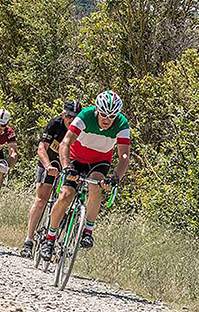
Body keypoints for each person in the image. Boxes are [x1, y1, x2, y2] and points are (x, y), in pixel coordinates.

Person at [40, 91, 131, 261]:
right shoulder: (85, 115)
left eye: (111, 116)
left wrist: (115, 178)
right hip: (75, 159)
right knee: (66, 195)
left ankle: (88, 230)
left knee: (96, 185)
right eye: (103, 114)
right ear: (96, 110)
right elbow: (65, 143)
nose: (106, 119)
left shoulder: (122, 124)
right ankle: (49, 239)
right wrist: (66, 166)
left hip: (100, 161)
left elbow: (124, 156)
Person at [20, 100, 83, 258]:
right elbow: (41, 148)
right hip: (50, 162)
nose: (71, 120)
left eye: (75, 118)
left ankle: (60, 238)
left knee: (67, 199)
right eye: (69, 116)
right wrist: (48, 166)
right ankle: (29, 241)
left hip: (69, 165)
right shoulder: (55, 124)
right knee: (41, 199)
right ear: (63, 115)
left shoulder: (82, 129)